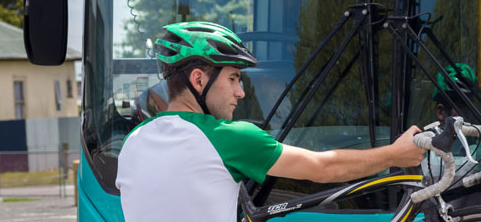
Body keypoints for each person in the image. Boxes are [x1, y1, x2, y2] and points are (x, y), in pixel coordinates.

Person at [116, 21, 425, 222]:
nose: (240, 92)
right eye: (234, 78)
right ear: (198, 79)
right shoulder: (228, 138)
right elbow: (324, 168)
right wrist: (397, 154)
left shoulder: (132, 143)